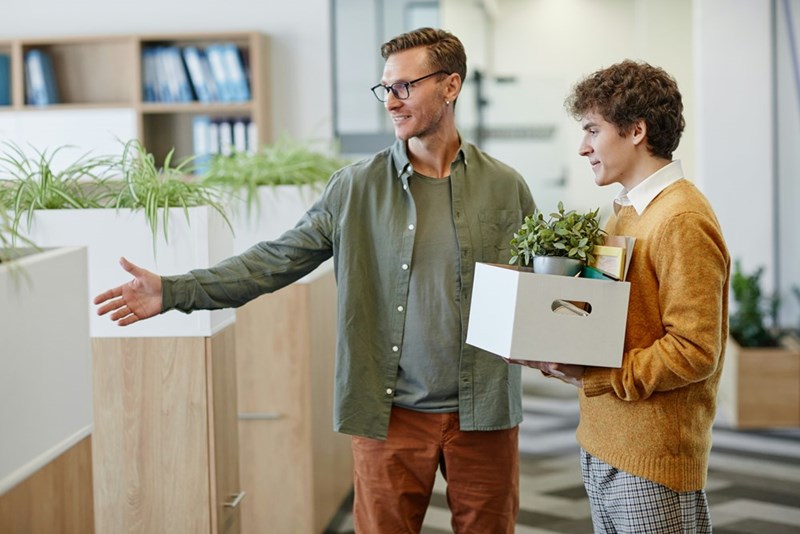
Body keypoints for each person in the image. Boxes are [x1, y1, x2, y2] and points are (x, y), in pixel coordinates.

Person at [94, 27, 535, 533]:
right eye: (385, 88)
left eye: (404, 87)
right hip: (388, 413)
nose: (391, 102)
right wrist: (175, 290)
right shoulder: (355, 188)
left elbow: (544, 283)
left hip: (485, 411)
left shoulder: (505, 186)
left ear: (451, 86)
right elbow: (274, 260)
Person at [528, 60, 730, 532]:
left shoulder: (680, 219)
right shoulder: (622, 214)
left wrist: (596, 373)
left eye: (592, 130)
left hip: (651, 458)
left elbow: (696, 350)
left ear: (636, 130)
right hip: (605, 441)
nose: (583, 147)